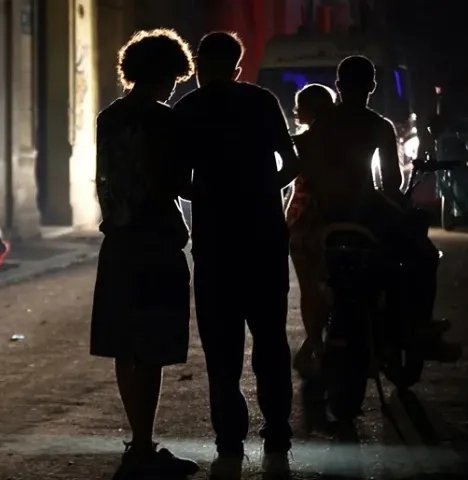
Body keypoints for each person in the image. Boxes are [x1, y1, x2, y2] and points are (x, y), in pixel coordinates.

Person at [173, 31, 298, 478]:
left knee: (221, 351)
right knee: (270, 339)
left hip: (215, 245)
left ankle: (229, 441)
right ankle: (278, 431)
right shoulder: (262, 101)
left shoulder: (187, 109)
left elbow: (177, 180)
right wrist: (265, 190)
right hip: (265, 237)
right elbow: (291, 162)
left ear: (199, 64)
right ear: (238, 67)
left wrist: (208, 193)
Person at [89, 29, 199, 478]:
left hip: (118, 239)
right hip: (155, 240)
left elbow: (106, 180)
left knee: (124, 343)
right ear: (164, 74)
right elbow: (176, 183)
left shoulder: (108, 117)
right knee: (152, 345)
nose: (175, 85)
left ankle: (139, 443)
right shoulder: (167, 120)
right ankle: (142, 444)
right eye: (173, 75)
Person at [303, 55, 453, 361]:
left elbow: (309, 171)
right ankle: (419, 326)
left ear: (339, 86)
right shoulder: (378, 125)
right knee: (422, 254)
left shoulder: (320, 126)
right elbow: (391, 183)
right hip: (365, 212)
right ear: (372, 86)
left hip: (323, 213)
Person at [284, 84, 337, 378]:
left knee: (309, 289)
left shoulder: (300, 143)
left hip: (305, 221)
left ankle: (315, 343)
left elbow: (294, 186)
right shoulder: (350, 139)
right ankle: (319, 342)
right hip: (340, 216)